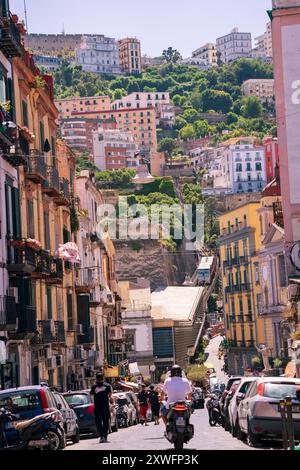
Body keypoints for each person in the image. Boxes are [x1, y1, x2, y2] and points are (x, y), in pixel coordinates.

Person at [90, 373, 113, 443]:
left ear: (96, 379)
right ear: (103, 378)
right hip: (105, 407)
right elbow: (110, 395)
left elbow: (91, 395)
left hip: (97, 407)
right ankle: (105, 437)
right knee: (106, 422)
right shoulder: (107, 386)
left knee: (98, 422)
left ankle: (102, 436)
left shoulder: (94, 387)